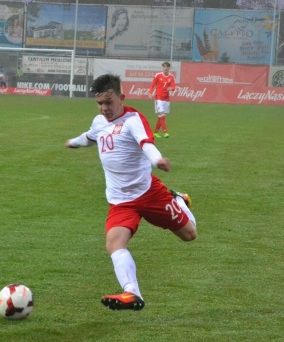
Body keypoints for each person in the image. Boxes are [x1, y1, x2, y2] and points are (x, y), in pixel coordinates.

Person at [64, 74, 197, 311]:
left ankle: (179, 201)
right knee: (114, 243)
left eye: (109, 101)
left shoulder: (133, 120)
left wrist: (158, 160)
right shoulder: (99, 122)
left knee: (189, 235)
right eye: (100, 103)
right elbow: (90, 137)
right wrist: (73, 142)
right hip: (120, 202)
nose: (104, 108)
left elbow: (146, 142)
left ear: (121, 98)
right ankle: (132, 293)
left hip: (149, 193)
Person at [148, 62, 176, 138]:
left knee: (161, 117)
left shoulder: (171, 77)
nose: (165, 68)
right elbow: (152, 85)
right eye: (164, 67)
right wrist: (150, 93)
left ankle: (155, 132)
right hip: (158, 98)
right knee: (162, 115)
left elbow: (174, 87)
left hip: (166, 99)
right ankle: (165, 132)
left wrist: (171, 88)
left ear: (169, 68)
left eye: (167, 67)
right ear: (162, 68)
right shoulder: (158, 75)